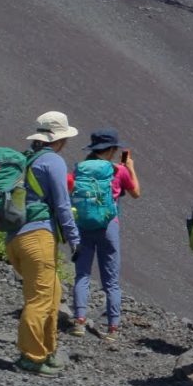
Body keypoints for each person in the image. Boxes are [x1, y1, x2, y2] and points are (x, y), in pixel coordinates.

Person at [10, 112, 82, 376]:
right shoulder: (53, 161)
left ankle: (48, 351)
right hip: (37, 237)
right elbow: (62, 204)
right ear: (59, 139)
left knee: (52, 295)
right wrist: (75, 238)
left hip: (17, 237)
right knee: (40, 300)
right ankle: (31, 357)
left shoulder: (27, 158)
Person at [70, 128, 141, 338]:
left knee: (82, 274)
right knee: (111, 281)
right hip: (109, 226)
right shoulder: (117, 170)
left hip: (82, 225)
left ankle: (79, 322)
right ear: (111, 150)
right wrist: (131, 168)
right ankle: (113, 329)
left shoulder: (79, 169)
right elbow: (136, 192)